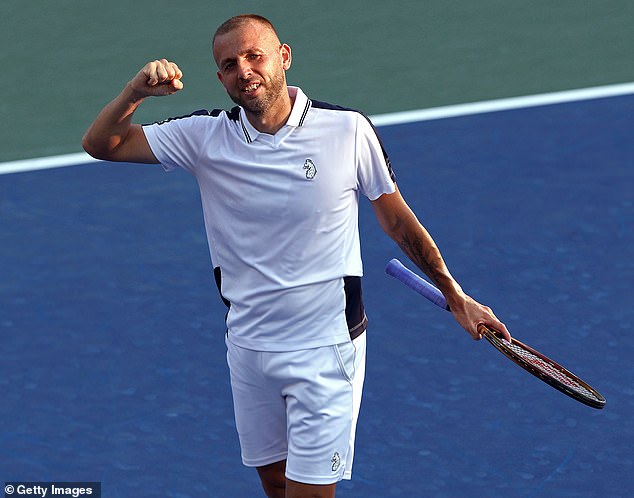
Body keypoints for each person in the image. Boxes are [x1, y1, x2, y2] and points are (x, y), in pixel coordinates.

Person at [82, 14, 510, 498]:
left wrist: (455, 294)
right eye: (229, 64)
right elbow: (102, 144)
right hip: (248, 345)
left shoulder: (346, 131)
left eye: (254, 55)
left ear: (283, 57)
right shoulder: (203, 137)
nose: (243, 70)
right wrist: (134, 93)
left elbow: (397, 222)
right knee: (274, 482)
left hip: (325, 350)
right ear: (220, 78)